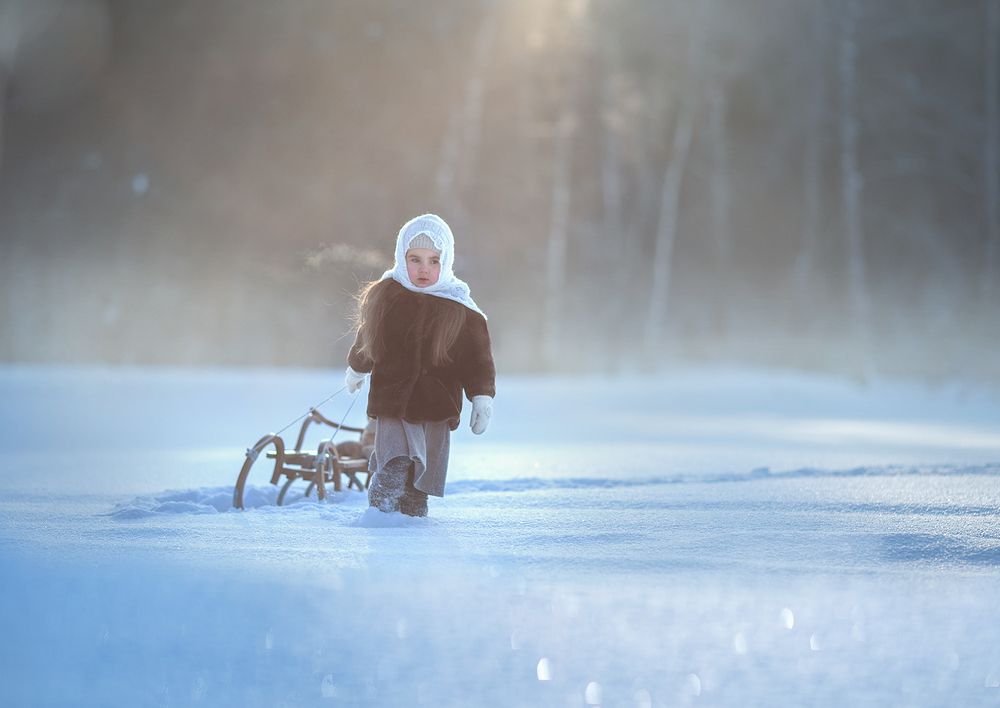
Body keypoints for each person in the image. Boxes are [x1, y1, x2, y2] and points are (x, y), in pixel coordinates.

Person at [344, 214, 496, 517]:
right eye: (415, 259)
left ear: (447, 261)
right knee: (394, 462)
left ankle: (413, 523)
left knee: (419, 477)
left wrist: (481, 397)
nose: (424, 268)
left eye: (433, 260)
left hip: (435, 408)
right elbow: (369, 340)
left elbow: (477, 360)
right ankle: (381, 512)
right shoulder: (388, 296)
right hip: (394, 403)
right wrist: (357, 368)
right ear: (402, 258)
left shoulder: (461, 310)